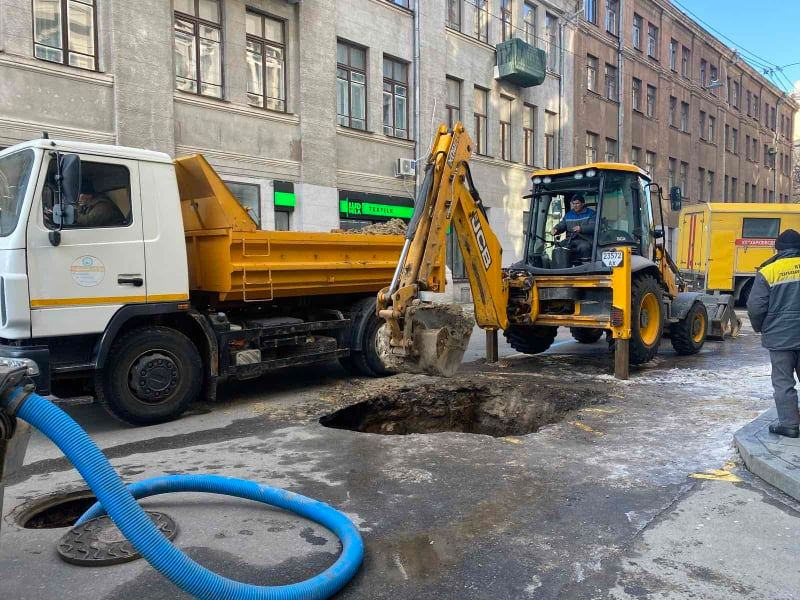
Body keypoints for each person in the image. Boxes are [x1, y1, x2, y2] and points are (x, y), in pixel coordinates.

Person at [746, 229, 800, 438]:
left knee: (783, 382)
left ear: (778, 249)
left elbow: (755, 307)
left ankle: (789, 425)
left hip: (780, 338)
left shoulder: (769, 271)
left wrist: (761, 327)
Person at [551, 194, 596, 261]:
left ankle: (584, 265)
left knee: (584, 247)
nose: (575, 205)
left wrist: (581, 229)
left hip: (586, 239)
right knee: (559, 247)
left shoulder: (591, 213)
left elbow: (594, 227)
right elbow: (562, 225)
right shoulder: (569, 215)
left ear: (583, 203)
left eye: (577, 203)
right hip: (571, 240)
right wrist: (556, 229)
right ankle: (561, 266)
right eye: (573, 203)